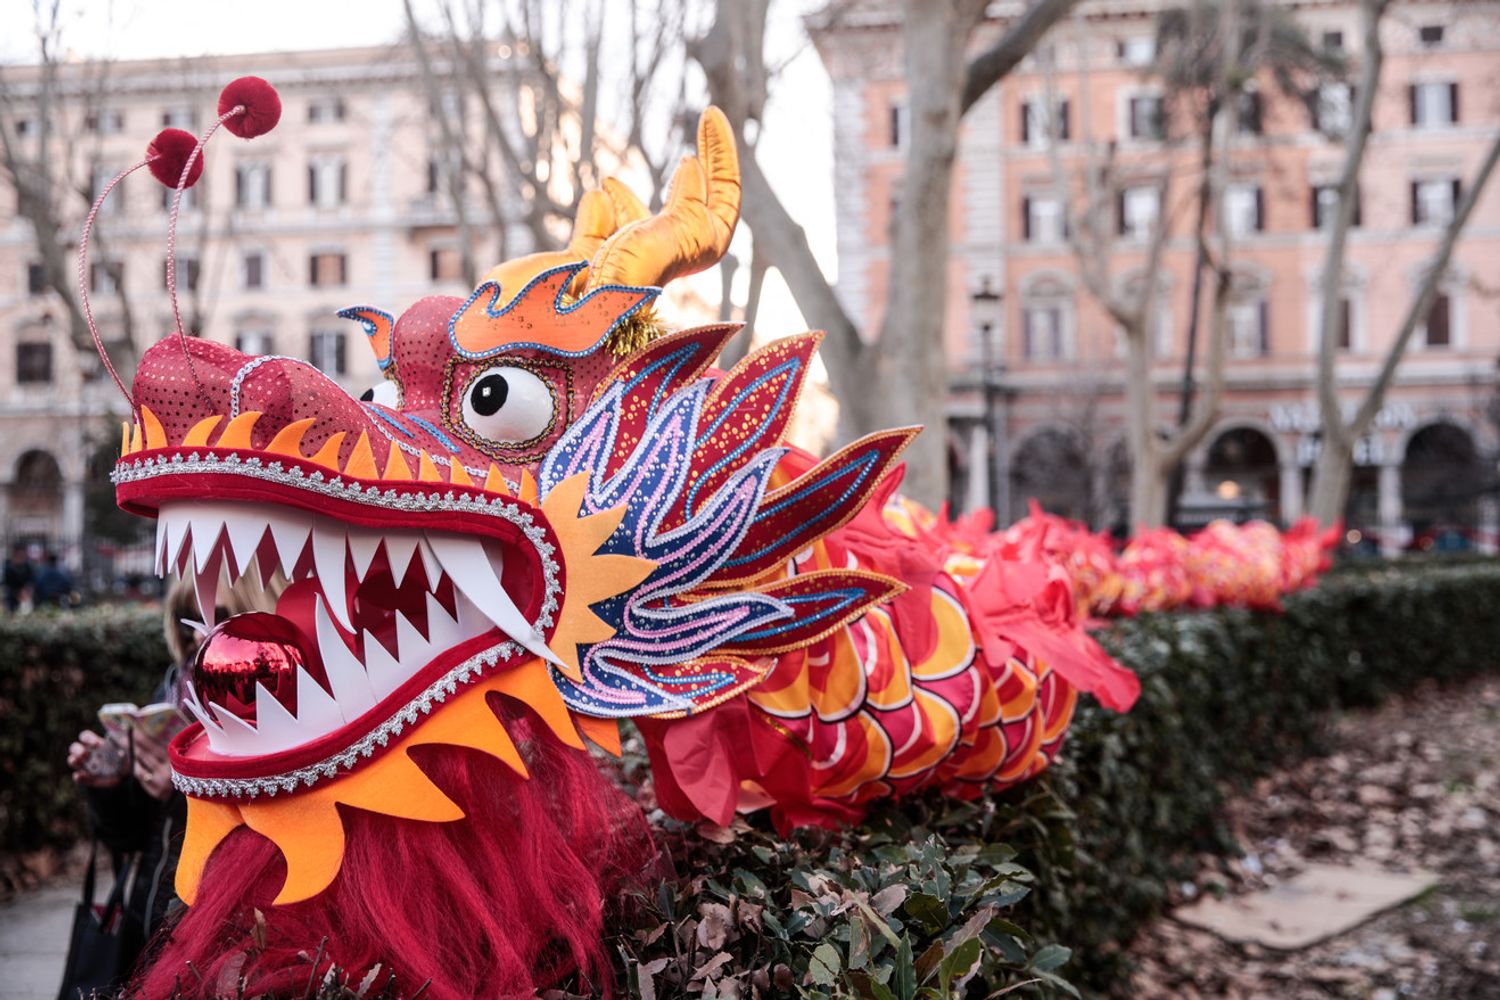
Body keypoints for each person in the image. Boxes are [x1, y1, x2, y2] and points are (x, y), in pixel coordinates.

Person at [65, 567, 284, 976]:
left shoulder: (291, 704)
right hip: (151, 925)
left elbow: (279, 840)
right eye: (189, 623)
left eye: (219, 618)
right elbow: (132, 837)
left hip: (228, 941)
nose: (201, 637)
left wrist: (188, 788)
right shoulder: (176, 688)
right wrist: (110, 787)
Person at [3, 542, 33, 612]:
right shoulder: (8, 565)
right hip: (12, 597)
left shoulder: (27, 565)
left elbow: (31, 579)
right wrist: (18, 593)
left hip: (25, 596)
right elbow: (7, 583)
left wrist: (27, 590)